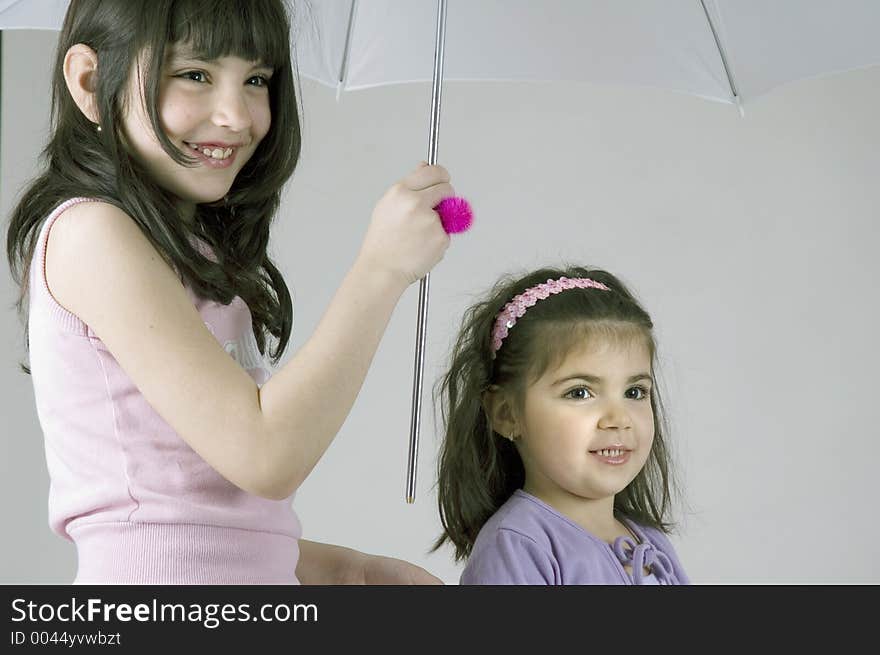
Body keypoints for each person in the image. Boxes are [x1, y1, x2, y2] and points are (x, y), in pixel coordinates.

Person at [5, 0, 453, 584]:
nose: (237, 117)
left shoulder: (196, 254)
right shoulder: (92, 233)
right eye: (195, 74)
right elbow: (263, 456)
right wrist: (381, 270)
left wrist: (350, 572)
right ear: (90, 81)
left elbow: (201, 525)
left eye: (256, 80)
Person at [433, 265, 689, 584]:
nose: (618, 419)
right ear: (506, 414)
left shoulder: (649, 541)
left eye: (634, 392)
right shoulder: (519, 546)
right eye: (579, 392)